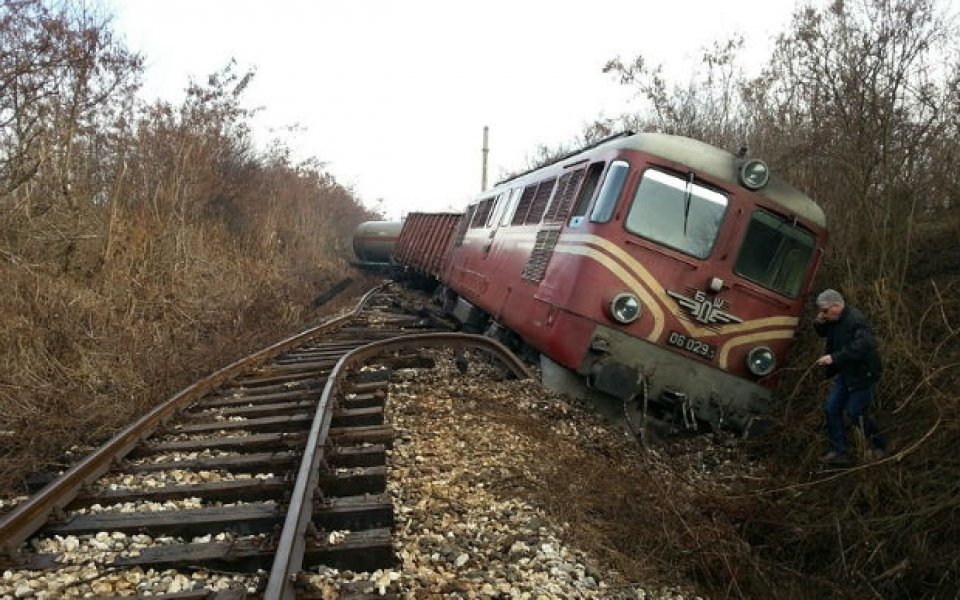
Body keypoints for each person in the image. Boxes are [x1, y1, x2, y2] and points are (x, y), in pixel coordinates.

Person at [813, 289, 886, 464]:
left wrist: (834, 358)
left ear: (836, 306)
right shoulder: (833, 319)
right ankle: (839, 451)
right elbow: (824, 333)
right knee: (831, 408)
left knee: (855, 413)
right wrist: (819, 322)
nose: (823, 314)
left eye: (825, 311)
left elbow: (865, 344)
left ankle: (879, 445)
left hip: (863, 373)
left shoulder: (855, 319)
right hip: (846, 373)